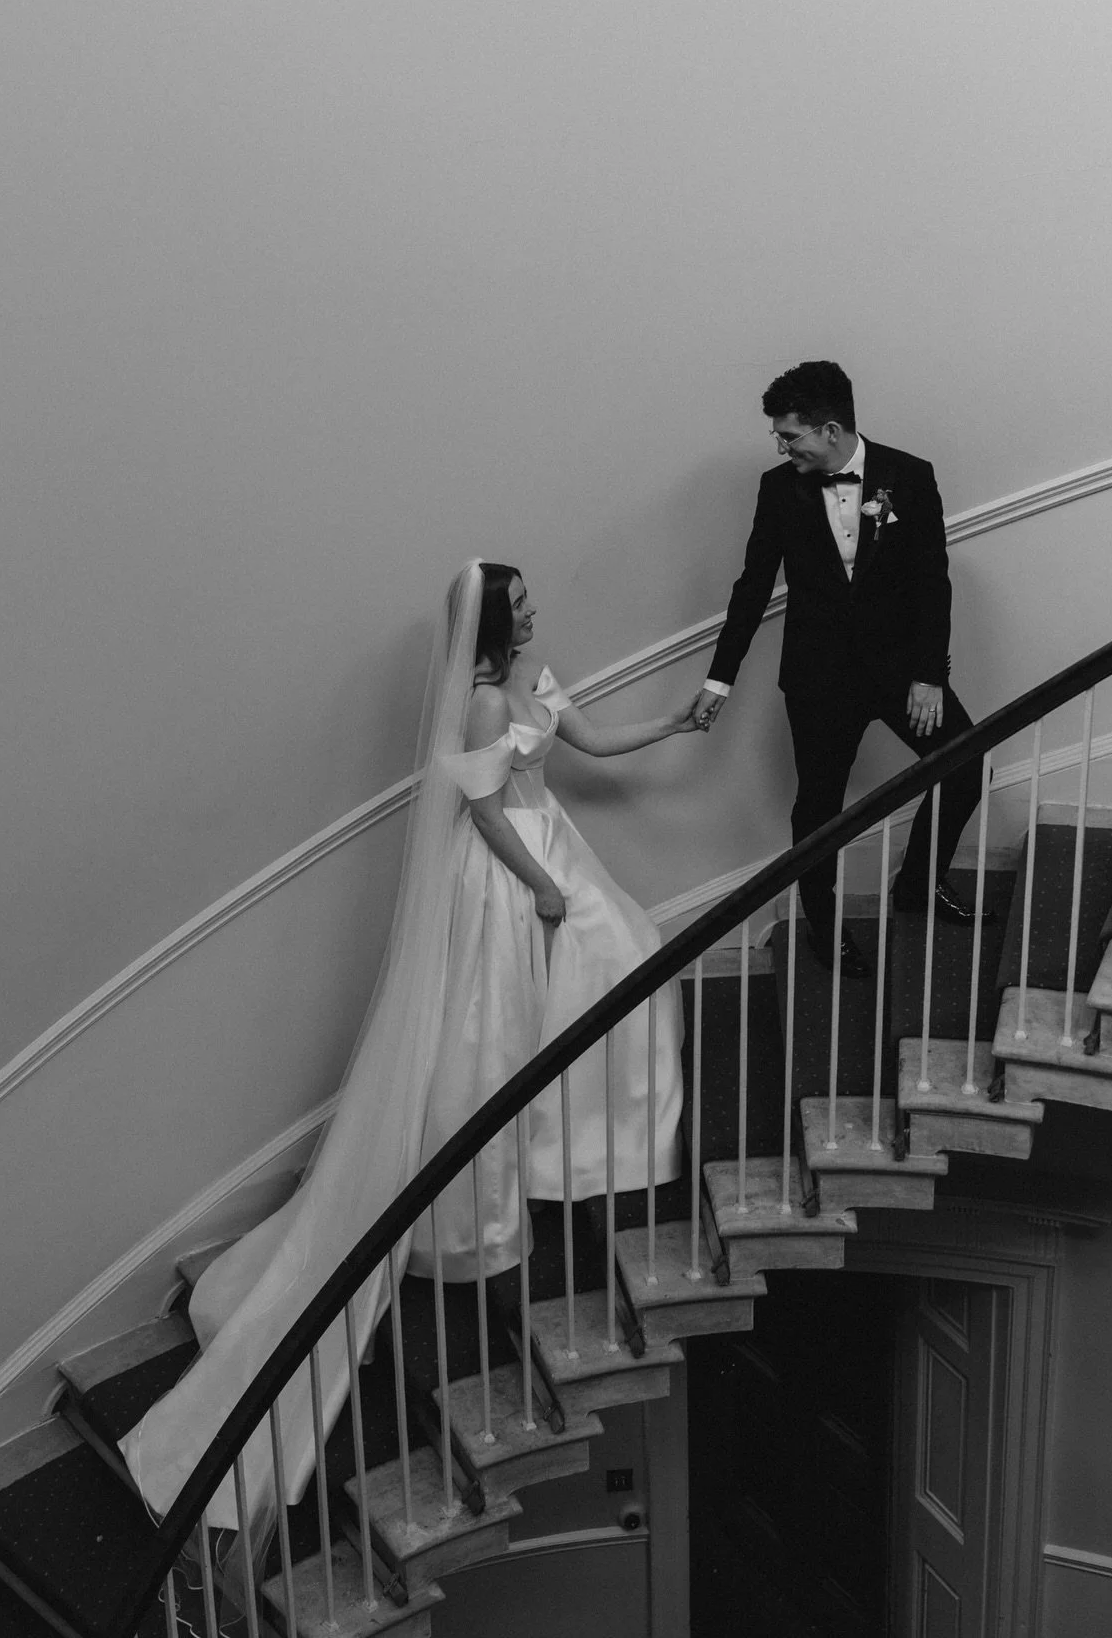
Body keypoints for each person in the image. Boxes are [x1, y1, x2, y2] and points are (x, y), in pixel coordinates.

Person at [120, 560, 696, 1560]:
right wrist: (540, 890)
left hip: (551, 844)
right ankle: (485, 1202)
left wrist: (677, 723)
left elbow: (591, 740)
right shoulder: (477, 705)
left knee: (626, 973)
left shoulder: (527, 680)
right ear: (489, 624)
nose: (532, 613)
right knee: (494, 1038)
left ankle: (587, 1154)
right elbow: (478, 811)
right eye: (520, 605)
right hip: (510, 869)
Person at [691, 361, 986, 977]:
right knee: (817, 809)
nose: (781, 446)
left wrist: (929, 673)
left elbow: (933, 580)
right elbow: (751, 589)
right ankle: (824, 926)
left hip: (903, 672)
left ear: (830, 429)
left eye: (790, 434)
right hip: (820, 678)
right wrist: (720, 678)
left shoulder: (910, 475)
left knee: (965, 766)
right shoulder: (778, 489)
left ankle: (917, 885)